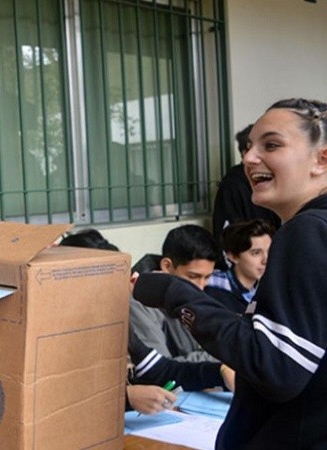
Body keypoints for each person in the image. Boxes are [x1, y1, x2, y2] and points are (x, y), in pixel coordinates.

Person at [133, 98, 327, 448]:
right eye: (250, 146)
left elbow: (276, 367)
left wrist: (175, 293)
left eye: (271, 145)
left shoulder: (307, 232)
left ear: (321, 160)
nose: (250, 158)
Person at [59, 229, 233, 416]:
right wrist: (127, 397)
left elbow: (158, 369)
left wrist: (219, 372)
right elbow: (52, 396)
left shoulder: (110, 318)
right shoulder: (53, 330)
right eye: (109, 281)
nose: (123, 289)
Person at [129, 225, 220, 363]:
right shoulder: (138, 300)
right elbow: (159, 367)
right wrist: (222, 359)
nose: (200, 287)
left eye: (207, 277)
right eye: (193, 276)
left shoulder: (191, 292)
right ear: (166, 266)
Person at [212, 124, 280, 251]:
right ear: (245, 154)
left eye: (272, 148)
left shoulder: (278, 178)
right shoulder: (233, 185)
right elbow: (229, 236)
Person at [205, 219, 275, 314]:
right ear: (233, 256)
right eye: (256, 253)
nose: (265, 260)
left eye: (270, 251)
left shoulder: (271, 287)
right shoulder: (210, 286)